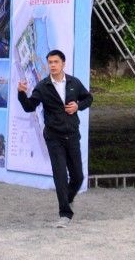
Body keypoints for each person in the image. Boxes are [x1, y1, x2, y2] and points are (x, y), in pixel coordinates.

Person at [16, 47, 92, 227]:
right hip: (53, 137)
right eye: (50, 62)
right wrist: (21, 93)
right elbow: (29, 107)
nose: (53, 65)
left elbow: (88, 98)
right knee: (60, 175)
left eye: (56, 62)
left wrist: (78, 106)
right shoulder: (43, 86)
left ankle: (68, 198)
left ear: (63, 64)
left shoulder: (74, 82)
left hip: (72, 134)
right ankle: (64, 214)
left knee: (78, 177)